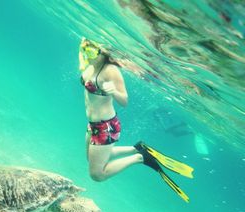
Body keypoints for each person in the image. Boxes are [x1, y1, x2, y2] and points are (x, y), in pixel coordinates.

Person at [79, 38, 194, 202]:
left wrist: (113, 91)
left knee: (97, 174)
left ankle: (139, 157)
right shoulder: (91, 60)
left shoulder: (111, 70)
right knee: (92, 158)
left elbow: (124, 100)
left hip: (106, 127)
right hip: (93, 124)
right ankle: (137, 148)